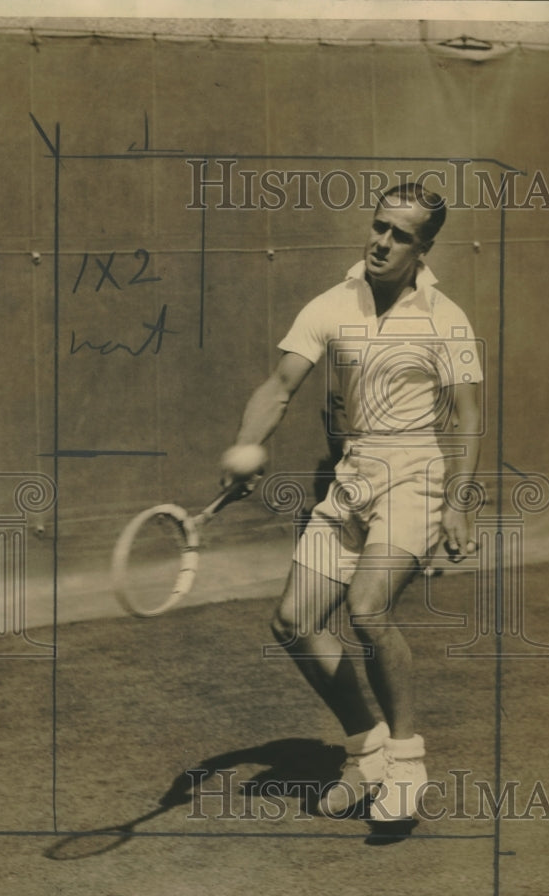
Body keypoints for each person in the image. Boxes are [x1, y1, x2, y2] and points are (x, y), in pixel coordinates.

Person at [222, 183, 483, 821]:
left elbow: (468, 419)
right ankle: (364, 746)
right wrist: (245, 448)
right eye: (378, 227)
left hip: (416, 476)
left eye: (399, 235)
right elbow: (279, 385)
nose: (381, 241)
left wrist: (458, 500)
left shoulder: (446, 318)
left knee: (367, 611)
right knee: (292, 623)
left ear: (423, 247)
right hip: (354, 477)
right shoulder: (332, 304)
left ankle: (406, 759)